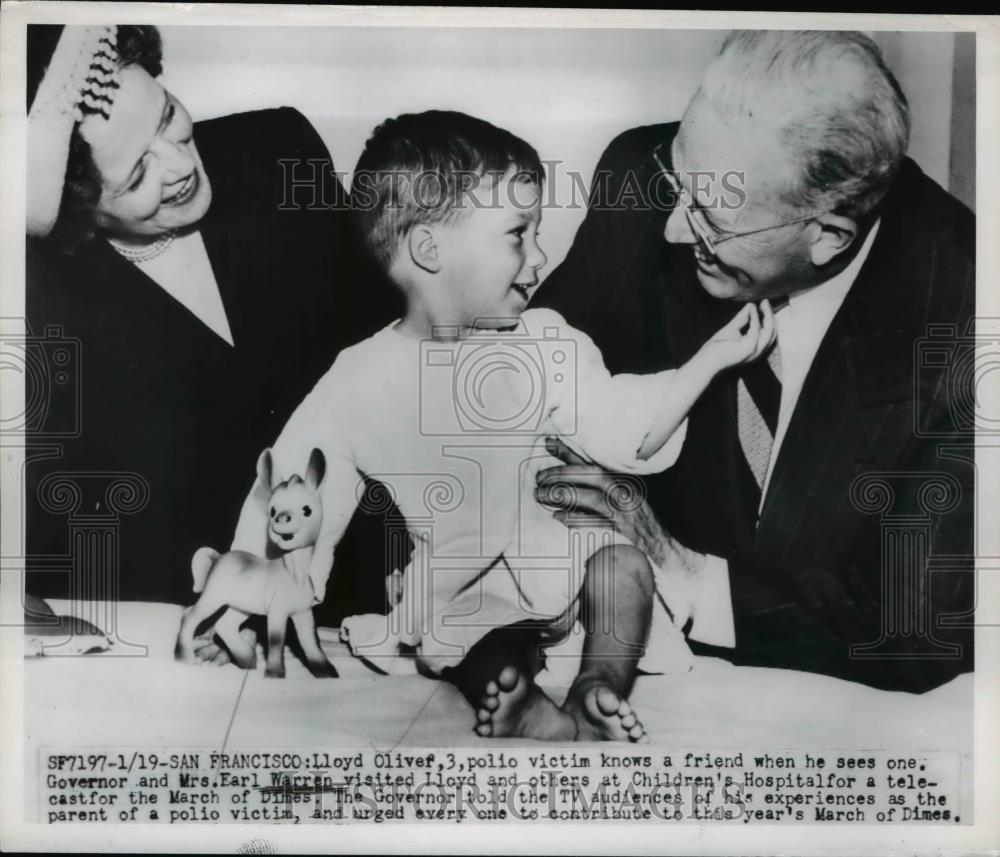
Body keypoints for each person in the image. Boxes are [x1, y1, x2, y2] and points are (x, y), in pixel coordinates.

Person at [225, 110, 777, 741]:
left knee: (625, 569)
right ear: (430, 250)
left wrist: (708, 362)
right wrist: (249, 598)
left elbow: (632, 427)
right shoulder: (360, 379)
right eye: (519, 234)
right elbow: (294, 488)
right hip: (466, 585)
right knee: (469, 633)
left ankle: (597, 684)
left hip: (569, 557)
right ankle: (512, 693)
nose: (540, 258)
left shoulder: (543, 341)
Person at [535, 30, 975, 694]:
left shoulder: (968, 313)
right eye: (676, 183)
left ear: (827, 235)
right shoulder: (640, 179)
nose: (675, 229)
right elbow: (527, 393)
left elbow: (916, 621)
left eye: (711, 218)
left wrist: (680, 569)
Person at [24, 25, 400, 627]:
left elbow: (390, 353)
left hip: (381, 583)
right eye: (136, 175)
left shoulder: (278, 148)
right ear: (68, 210)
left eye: (167, 115)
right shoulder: (39, 296)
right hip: (199, 622)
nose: (179, 165)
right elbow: (68, 537)